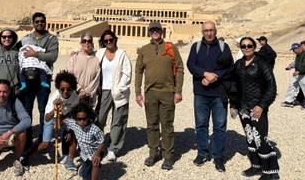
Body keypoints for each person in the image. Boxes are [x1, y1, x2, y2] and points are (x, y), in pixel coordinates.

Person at [135, 22, 184, 170]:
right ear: (149, 32)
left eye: (157, 30)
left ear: (161, 32)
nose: (155, 32)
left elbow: (180, 68)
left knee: (167, 125)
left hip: (167, 92)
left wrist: (178, 90)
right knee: (152, 125)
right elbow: (138, 71)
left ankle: (168, 156)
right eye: (152, 30)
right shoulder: (144, 50)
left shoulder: (171, 48)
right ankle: (153, 153)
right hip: (150, 93)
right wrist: (137, 92)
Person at [186, 21, 233, 172]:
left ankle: (218, 156)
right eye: (206, 30)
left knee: (219, 126)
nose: (209, 33)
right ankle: (202, 153)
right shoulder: (196, 47)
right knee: (201, 125)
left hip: (219, 93)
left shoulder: (223, 47)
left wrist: (215, 76)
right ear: (202, 31)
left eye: (211, 30)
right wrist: (204, 74)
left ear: (215, 31)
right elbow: (191, 65)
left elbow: (230, 67)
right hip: (201, 92)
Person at [230, 37, 279, 179]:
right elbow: (234, 86)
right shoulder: (238, 64)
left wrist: (262, 105)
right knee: (250, 137)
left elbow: (271, 87)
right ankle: (256, 165)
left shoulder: (262, 63)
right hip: (243, 108)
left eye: (249, 45)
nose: (246, 48)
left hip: (257, 107)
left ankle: (271, 171)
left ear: (254, 46)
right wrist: (233, 104)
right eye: (243, 46)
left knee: (260, 138)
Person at [19, 12, 59, 147]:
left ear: (45, 22)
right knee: (27, 109)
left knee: (44, 109)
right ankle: (28, 137)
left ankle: (43, 138)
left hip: (43, 80)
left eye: (42, 21)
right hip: (28, 79)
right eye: (37, 21)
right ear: (33, 23)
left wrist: (35, 54)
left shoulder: (51, 39)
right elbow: (17, 52)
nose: (40, 23)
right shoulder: (26, 38)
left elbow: (52, 57)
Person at [95, 29, 132, 163]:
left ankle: (113, 149)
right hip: (104, 90)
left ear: (115, 40)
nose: (109, 42)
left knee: (118, 120)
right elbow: (92, 65)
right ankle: (97, 145)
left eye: (111, 40)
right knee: (100, 119)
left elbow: (127, 73)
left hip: (119, 92)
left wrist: (120, 89)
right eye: (106, 41)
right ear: (103, 42)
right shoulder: (100, 53)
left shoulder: (122, 54)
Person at [39, 70, 79, 170]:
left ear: (72, 88)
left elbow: (74, 114)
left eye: (68, 89)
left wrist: (70, 129)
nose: (65, 92)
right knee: (45, 144)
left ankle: (69, 160)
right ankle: (29, 153)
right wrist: (54, 108)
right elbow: (47, 118)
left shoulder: (75, 97)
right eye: (62, 89)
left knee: (73, 133)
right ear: (58, 88)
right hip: (52, 117)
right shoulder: (54, 96)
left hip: (66, 117)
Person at [64, 103, 106, 180]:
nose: (82, 121)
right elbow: (61, 120)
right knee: (86, 175)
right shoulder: (74, 124)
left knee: (95, 164)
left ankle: (95, 169)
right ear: (75, 118)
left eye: (84, 118)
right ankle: (83, 169)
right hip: (84, 155)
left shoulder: (95, 129)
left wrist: (97, 154)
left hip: (96, 152)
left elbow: (102, 142)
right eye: (79, 119)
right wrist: (54, 112)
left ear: (89, 117)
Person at [67, 33, 101, 107]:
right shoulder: (74, 58)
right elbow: (70, 76)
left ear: (92, 44)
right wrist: (79, 89)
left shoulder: (96, 60)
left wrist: (86, 92)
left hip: (89, 97)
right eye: (84, 41)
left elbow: (96, 79)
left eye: (89, 41)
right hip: (74, 94)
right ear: (80, 43)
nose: (86, 43)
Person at [0, 28, 21, 97]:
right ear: (0, 38)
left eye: (9, 37)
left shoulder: (19, 52)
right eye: (4, 37)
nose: (7, 39)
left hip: (13, 90)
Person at [282, 43, 305, 110]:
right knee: (292, 86)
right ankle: (289, 101)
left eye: (294, 50)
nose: (293, 51)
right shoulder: (298, 55)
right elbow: (296, 63)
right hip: (298, 74)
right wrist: (290, 66)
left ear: (299, 48)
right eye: (293, 50)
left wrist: (299, 71)